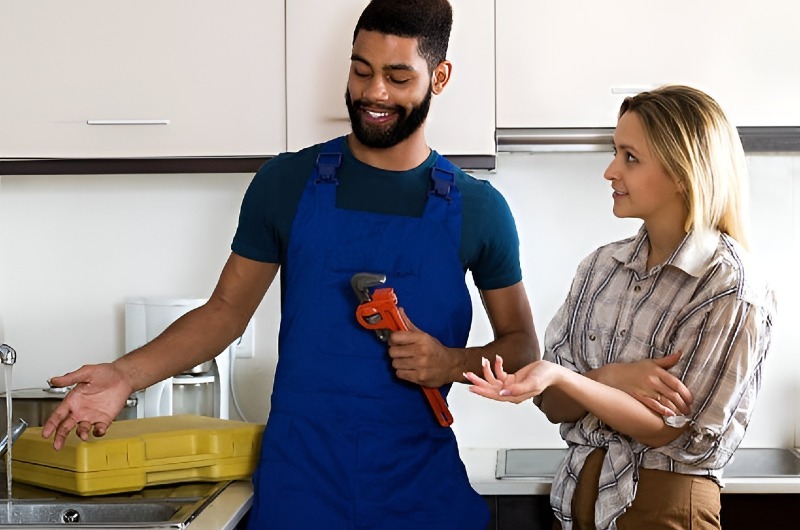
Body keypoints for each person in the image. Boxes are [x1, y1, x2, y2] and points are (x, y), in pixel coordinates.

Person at [41, 1, 539, 528]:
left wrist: (447, 363)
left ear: (439, 77)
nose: (373, 93)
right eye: (361, 70)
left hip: (420, 492)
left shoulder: (479, 210)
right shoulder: (285, 184)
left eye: (398, 76)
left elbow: (521, 346)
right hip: (301, 489)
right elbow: (225, 313)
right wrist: (124, 376)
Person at [465, 85, 776, 530]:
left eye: (630, 157)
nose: (611, 171)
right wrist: (607, 379)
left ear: (683, 172)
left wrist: (564, 378)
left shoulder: (729, 285)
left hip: (664, 506)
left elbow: (667, 429)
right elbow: (554, 404)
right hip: (576, 499)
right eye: (615, 152)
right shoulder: (600, 268)